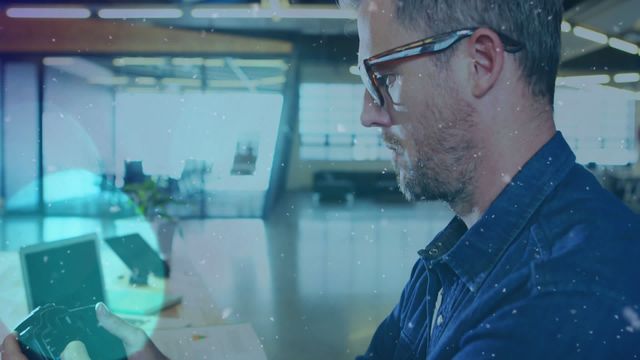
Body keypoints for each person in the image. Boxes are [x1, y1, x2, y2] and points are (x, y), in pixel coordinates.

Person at [3, 0, 640, 359]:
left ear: (479, 63)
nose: (368, 112)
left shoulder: (558, 307)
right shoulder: (469, 252)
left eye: (382, 78)